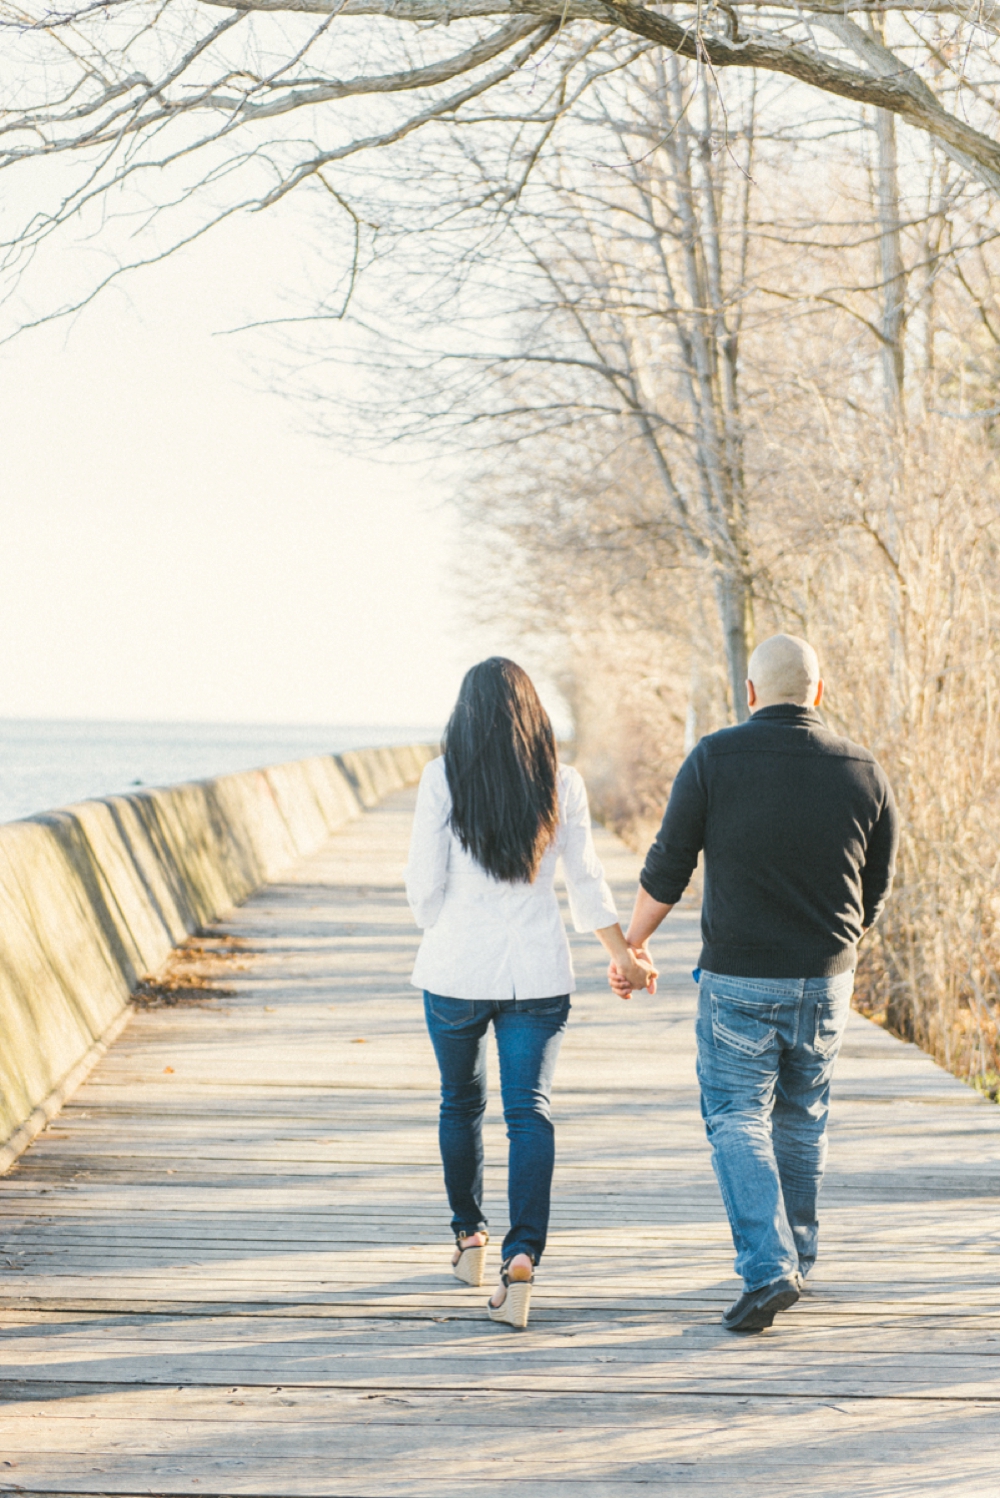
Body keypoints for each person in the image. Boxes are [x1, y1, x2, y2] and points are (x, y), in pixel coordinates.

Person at [610, 634, 898, 1332]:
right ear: (817, 693)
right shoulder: (864, 771)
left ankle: (769, 1271)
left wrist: (632, 944)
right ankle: (796, 1258)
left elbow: (666, 868)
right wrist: (838, 949)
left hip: (739, 978)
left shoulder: (714, 758)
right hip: (827, 978)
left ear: (750, 693)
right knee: (803, 1117)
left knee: (735, 1114)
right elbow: (877, 888)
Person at [406, 657, 656, 1330]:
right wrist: (623, 956)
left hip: (456, 970)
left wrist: (450, 923)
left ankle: (470, 1241)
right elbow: (587, 882)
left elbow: (422, 891)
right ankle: (523, 1258)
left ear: (464, 717)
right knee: (530, 1112)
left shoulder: (441, 779)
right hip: (537, 974)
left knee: (460, 1101)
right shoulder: (561, 782)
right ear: (533, 715)